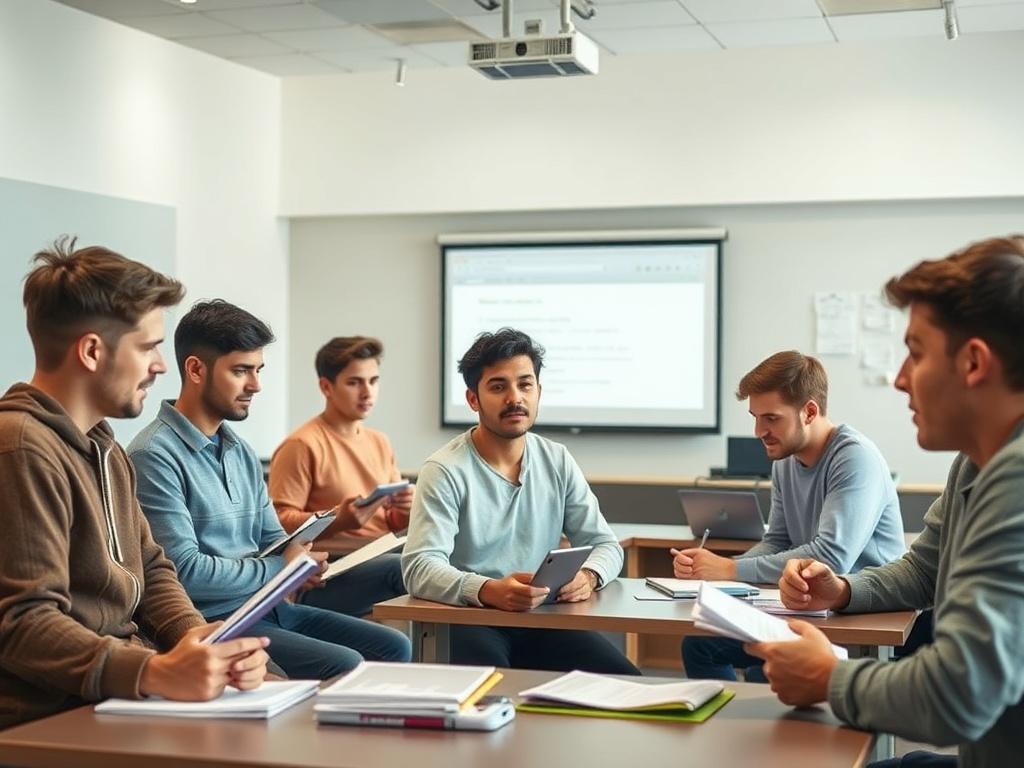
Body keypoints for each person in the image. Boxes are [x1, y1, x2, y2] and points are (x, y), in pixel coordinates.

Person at [747, 236, 1024, 768]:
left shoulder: (1015, 479)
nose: (899, 379)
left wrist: (829, 677)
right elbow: (923, 570)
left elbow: (955, 694)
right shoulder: (975, 462)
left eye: (916, 353)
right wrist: (844, 588)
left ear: (973, 363)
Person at [0, 239, 269, 729]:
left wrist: (196, 638)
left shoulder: (105, 446)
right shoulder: (21, 448)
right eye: (147, 347)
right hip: (55, 715)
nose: (161, 366)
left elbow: (151, 565)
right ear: (91, 351)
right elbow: (25, 625)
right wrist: (154, 671)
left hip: (115, 692)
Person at [127, 301, 411, 680]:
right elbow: (186, 573)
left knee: (396, 645)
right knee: (346, 664)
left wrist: (301, 563)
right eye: (241, 371)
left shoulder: (240, 451)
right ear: (195, 369)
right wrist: (281, 567)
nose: (256, 385)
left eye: (258, 370)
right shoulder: (153, 455)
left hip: (270, 605)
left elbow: (275, 538)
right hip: (217, 619)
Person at [402, 328, 638, 674]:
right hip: (469, 618)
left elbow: (605, 544)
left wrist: (588, 575)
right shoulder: (444, 469)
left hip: (543, 618)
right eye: (498, 387)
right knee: (495, 704)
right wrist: (485, 590)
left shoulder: (556, 459)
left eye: (525, 385)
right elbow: (419, 568)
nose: (515, 398)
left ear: (538, 392)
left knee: (628, 685)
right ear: (473, 399)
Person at [677, 351, 907, 681]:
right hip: (812, 606)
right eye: (755, 417)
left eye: (771, 418)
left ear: (809, 412)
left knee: (765, 668)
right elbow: (778, 540)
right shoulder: (784, 460)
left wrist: (729, 568)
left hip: (864, 611)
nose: (759, 431)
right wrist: (718, 572)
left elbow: (832, 558)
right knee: (701, 645)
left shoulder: (855, 458)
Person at [269, 336, 408, 617]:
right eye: (355, 382)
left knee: (434, 559)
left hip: (379, 554)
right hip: (327, 572)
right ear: (326, 387)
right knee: (405, 566)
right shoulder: (302, 445)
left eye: (373, 381)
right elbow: (278, 526)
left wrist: (406, 511)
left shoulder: (379, 441)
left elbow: (390, 521)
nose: (367, 392)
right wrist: (338, 519)